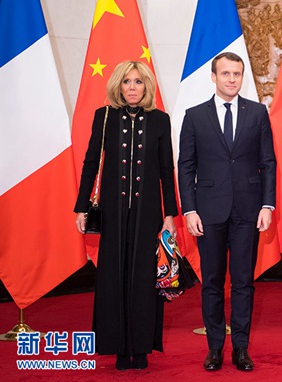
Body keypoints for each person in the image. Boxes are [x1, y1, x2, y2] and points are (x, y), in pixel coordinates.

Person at [75, 61, 178, 371]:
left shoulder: (160, 120)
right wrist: (81, 206)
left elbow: (166, 169)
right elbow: (91, 163)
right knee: (113, 276)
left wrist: (170, 214)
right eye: (127, 82)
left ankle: (141, 347)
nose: (132, 87)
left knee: (145, 278)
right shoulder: (104, 116)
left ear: (147, 86)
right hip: (112, 212)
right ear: (118, 86)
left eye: (138, 81)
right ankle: (118, 347)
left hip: (149, 213)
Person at [178, 52, 276, 372]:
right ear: (214, 77)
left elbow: (268, 162)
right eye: (226, 74)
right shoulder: (195, 116)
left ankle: (241, 348)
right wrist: (189, 209)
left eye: (237, 74)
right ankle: (215, 348)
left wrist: (267, 204)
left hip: (248, 210)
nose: (232, 79)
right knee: (212, 281)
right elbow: (186, 166)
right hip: (208, 212)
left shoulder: (257, 112)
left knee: (244, 281)